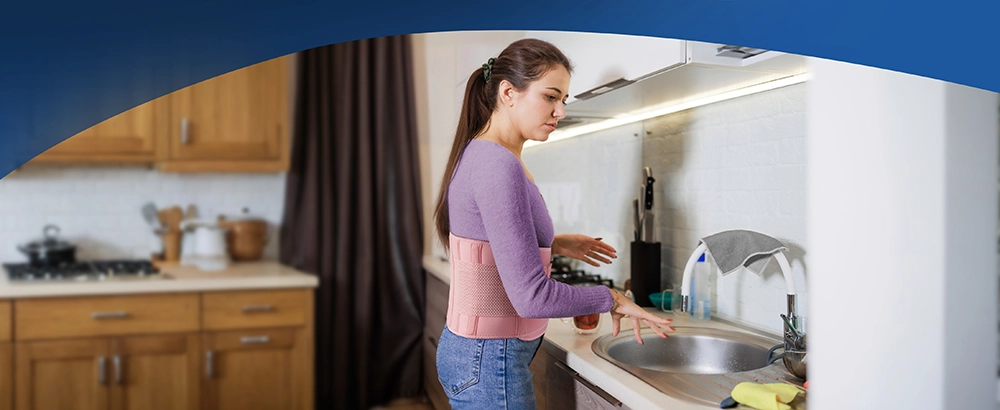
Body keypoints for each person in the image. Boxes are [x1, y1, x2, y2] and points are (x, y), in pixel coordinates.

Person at [432, 38, 675, 410]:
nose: (560, 110)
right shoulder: (499, 165)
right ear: (509, 92)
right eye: (550, 96)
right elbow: (532, 298)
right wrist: (610, 297)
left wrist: (556, 244)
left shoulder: (487, 154)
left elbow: (487, 240)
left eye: (564, 100)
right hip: (489, 360)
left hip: (478, 356)